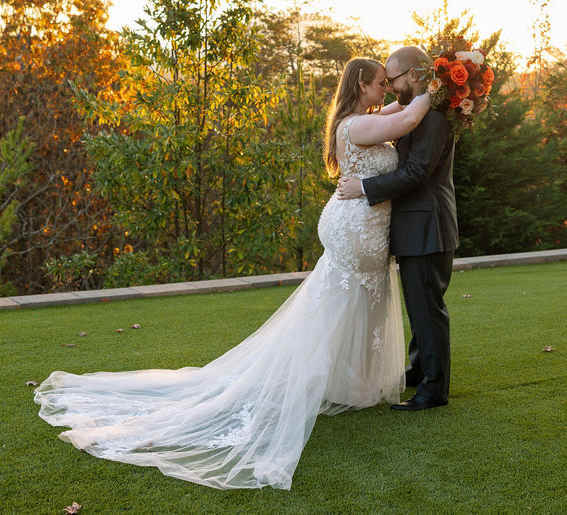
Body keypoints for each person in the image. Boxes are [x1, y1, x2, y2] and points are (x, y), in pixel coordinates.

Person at [34, 57, 431, 490]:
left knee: (356, 304)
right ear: (360, 84)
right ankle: (316, 381)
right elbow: (408, 116)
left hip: (365, 226)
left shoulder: (364, 117)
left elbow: (399, 111)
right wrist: (446, 86)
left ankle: (350, 385)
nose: (386, 92)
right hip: (354, 227)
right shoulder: (355, 126)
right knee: (340, 304)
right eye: (379, 84)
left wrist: (428, 91)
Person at [337, 45, 457, 411]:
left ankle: (433, 391)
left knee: (427, 310)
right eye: (383, 81)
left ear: (413, 75)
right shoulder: (417, 113)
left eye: (393, 79)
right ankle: (421, 373)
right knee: (420, 309)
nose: (389, 87)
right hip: (415, 226)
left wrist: (366, 187)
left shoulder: (432, 119)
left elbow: (417, 172)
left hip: (427, 225)